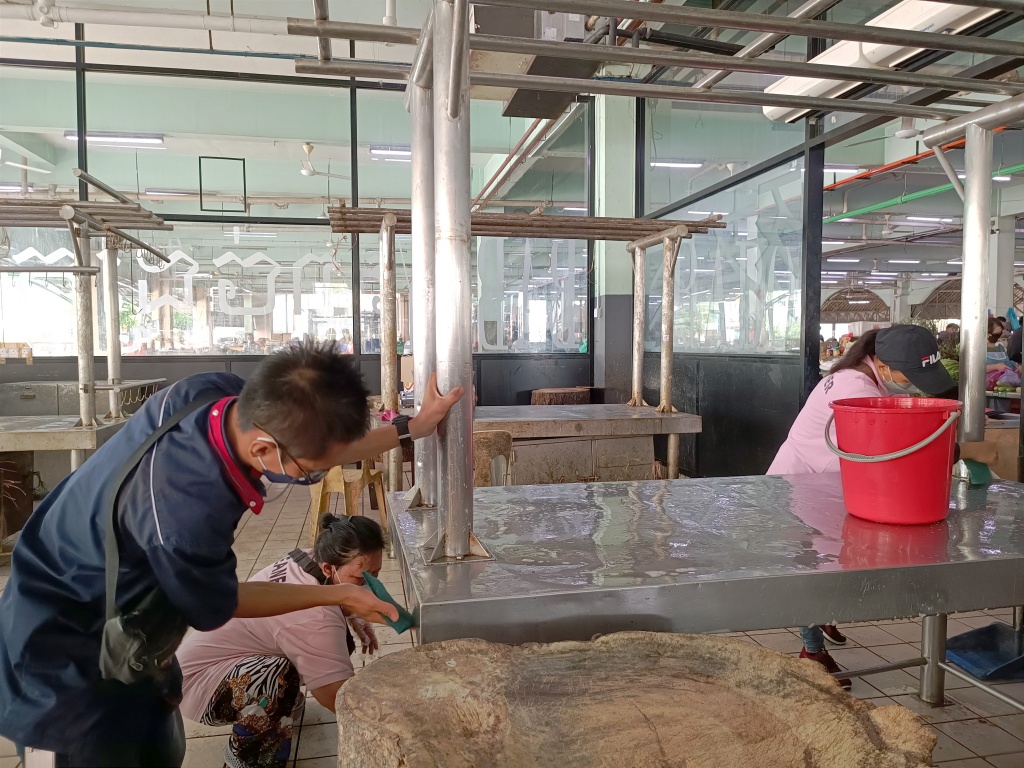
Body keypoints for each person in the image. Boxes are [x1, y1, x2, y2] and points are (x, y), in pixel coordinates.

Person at [0, 340, 463, 767]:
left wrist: (412, 428)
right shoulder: (188, 517)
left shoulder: (216, 394)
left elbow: (316, 442)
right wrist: (339, 597)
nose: (313, 476)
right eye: (311, 471)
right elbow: (223, 603)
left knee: (157, 749)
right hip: (63, 657)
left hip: (128, 626)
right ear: (264, 448)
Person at [767, 325, 995, 688]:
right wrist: (965, 451)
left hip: (815, 481)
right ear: (884, 363)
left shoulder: (853, 376)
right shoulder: (856, 389)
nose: (913, 383)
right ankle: (811, 653)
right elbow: (897, 452)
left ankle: (824, 618)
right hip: (805, 487)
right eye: (911, 374)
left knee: (826, 566)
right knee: (815, 572)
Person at [177, 514, 384, 768]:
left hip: (219, 658)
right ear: (329, 568)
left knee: (326, 644)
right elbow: (334, 693)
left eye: (377, 573)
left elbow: (337, 594)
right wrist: (382, 728)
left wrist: (354, 616)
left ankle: (279, 704)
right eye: (362, 577)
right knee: (276, 677)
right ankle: (248, 756)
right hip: (200, 683)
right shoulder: (315, 617)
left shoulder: (313, 559)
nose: (372, 586)